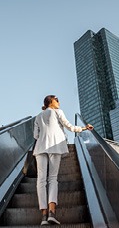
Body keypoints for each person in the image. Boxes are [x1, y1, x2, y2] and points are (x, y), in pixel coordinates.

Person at [33, 95, 93, 225]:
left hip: (40, 148)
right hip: (55, 146)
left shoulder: (38, 116)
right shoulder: (58, 112)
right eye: (57, 100)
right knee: (53, 178)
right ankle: (52, 213)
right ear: (51, 102)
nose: (59, 102)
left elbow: (35, 135)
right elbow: (70, 127)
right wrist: (83, 128)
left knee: (41, 180)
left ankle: (43, 216)